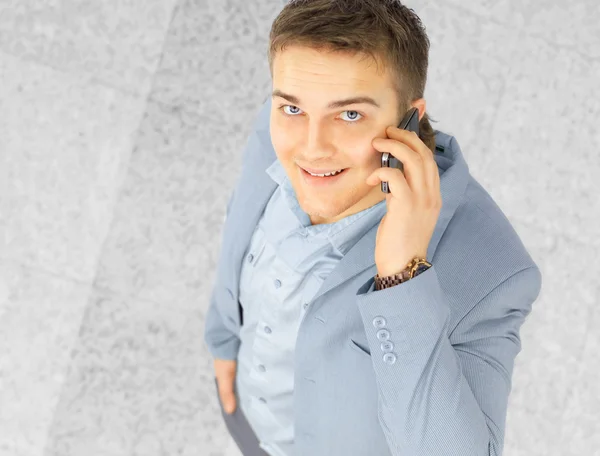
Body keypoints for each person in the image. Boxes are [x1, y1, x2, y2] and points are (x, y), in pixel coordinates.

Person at [204, 1, 543, 455]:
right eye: (291, 107)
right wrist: (223, 341)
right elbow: (238, 241)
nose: (311, 148)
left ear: (410, 118)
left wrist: (402, 276)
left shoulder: (494, 272)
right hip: (251, 427)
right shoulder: (276, 130)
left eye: (349, 115)